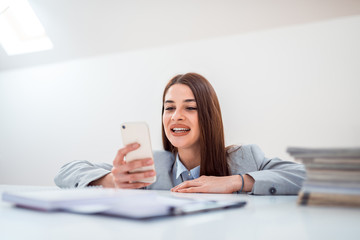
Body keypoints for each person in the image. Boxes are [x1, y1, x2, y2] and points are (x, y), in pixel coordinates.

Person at [55, 73, 305, 195]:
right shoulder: (150, 166)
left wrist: (236, 181)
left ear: (209, 116)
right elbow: (65, 172)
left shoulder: (245, 158)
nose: (176, 116)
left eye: (190, 107)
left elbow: (309, 177)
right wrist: (111, 181)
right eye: (169, 108)